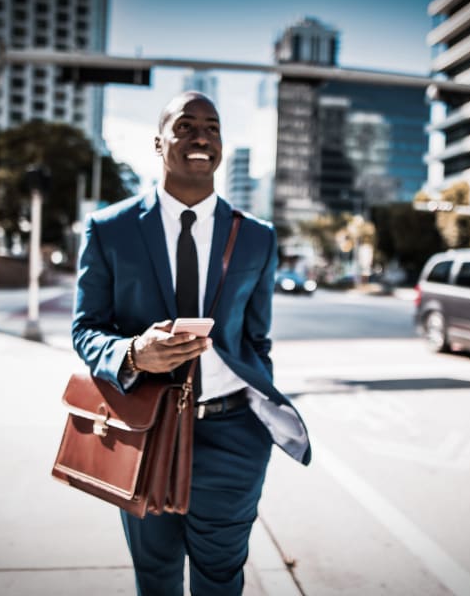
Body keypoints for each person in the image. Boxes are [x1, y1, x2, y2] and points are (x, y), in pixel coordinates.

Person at [72, 91, 311, 596]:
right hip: (145, 429)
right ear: (159, 143)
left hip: (231, 436)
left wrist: (250, 418)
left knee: (221, 577)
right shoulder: (109, 230)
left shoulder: (257, 237)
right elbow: (86, 328)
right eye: (186, 126)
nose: (201, 136)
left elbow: (256, 338)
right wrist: (134, 353)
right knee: (155, 575)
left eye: (213, 127)